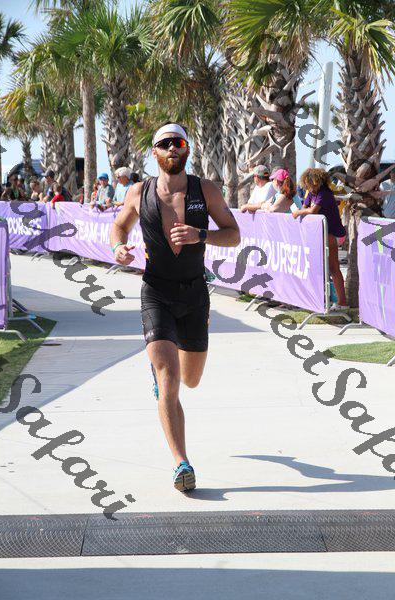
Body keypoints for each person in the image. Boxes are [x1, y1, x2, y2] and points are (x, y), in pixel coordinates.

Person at [110, 123, 240, 492]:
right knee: (168, 378)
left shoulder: (205, 190)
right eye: (165, 143)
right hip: (156, 291)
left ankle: (166, 376)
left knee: (190, 379)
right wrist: (118, 247)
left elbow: (234, 234)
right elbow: (119, 226)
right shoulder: (139, 192)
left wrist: (202, 235)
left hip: (195, 293)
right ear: (154, 152)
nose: (172, 148)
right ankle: (181, 463)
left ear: (187, 149)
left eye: (178, 142)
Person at [293, 168, 348, 310]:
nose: (309, 187)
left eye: (310, 184)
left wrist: (298, 212)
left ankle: (342, 302)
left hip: (332, 234)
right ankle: (320, 299)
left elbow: (312, 211)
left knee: (334, 268)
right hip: (320, 234)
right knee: (320, 268)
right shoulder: (312, 193)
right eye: (307, 185)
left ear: (318, 182)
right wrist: (302, 210)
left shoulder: (325, 193)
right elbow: (305, 206)